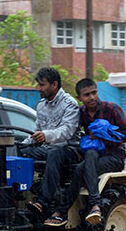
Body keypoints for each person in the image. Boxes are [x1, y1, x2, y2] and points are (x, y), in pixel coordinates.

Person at [45, 78, 126, 226]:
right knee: (83, 159)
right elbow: (70, 131)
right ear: (79, 98)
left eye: (94, 93)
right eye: (87, 95)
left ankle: (74, 209)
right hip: (92, 157)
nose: (92, 97)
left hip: (113, 157)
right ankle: (76, 208)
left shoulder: (111, 109)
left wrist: (105, 136)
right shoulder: (81, 113)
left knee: (84, 164)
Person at [19, 67, 80, 220]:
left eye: (42, 85)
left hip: (69, 150)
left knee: (54, 154)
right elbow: (37, 131)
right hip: (47, 148)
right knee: (19, 152)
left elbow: (67, 131)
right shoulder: (41, 105)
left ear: (54, 84)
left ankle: (42, 203)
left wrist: (45, 136)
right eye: (38, 84)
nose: (38, 88)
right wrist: (21, 144)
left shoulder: (69, 104)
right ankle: (18, 197)